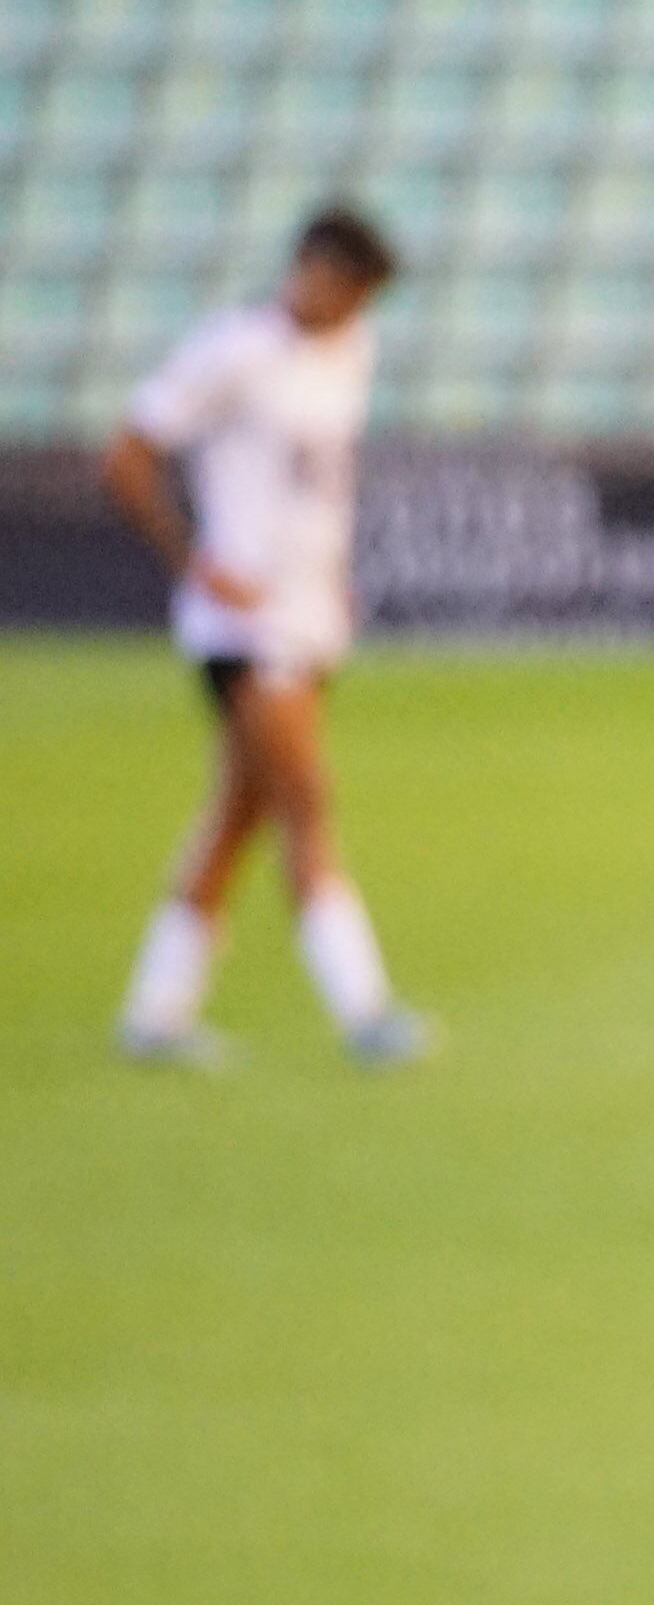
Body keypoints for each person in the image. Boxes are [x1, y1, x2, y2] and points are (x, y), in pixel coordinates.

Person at [99, 204, 429, 1069]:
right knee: (305, 799)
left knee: (240, 812)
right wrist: (192, 561)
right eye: (350, 290)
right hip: (246, 625)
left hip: (311, 617)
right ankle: (365, 1011)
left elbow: (320, 486)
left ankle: (156, 1011)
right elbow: (128, 456)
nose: (355, 310)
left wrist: (333, 576)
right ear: (316, 272)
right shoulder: (233, 351)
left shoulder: (352, 353)